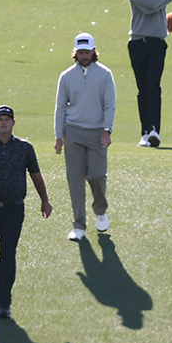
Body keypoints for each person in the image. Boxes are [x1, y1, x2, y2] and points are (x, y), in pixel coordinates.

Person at [0, 104, 53, 320]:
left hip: (14, 209)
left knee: (8, 254)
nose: (3, 122)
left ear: (13, 123)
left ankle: (4, 301)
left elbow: (35, 175)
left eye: (7, 119)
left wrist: (45, 201)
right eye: (0, 119)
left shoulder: (25, 148)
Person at [52, 32, 115, 241]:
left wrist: (107, 130)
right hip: (74, 132)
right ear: (75, 53)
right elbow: (60, 108)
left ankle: (100, 211)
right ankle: (79, 224)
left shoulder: (105, 74)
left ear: (94, 52)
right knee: (75, 180)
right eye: (80, 52)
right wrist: (59, 136)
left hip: (97, 132)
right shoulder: (67, 76)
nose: (84, 55)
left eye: (87, 52)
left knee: (97, 175)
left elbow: (109, 105)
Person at [123, 0, 172, 147]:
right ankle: (144, 133)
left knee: (154, 86)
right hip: (137, 41)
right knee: (142, 88)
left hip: (157, 42)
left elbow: (151, 5)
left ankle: (154, 131)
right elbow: (150, 6)